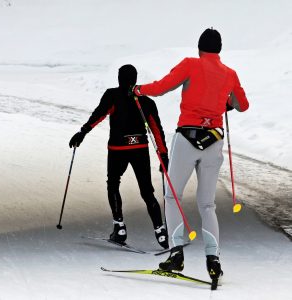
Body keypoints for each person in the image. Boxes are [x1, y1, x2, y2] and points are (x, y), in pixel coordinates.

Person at [130, 28, 249, 280]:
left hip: (187, 138)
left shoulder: (190, 65)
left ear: (199, 48)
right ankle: (213, 258)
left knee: (173, 196)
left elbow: (162, 87)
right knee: (207, 204)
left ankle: (176, 254)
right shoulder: (230, 73)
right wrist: (226, 103)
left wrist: (138, 89)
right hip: (214, 141)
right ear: (219, 50)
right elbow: (242, 105)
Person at [69, 64, 169, 249]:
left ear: (119, 78)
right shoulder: (146, 101)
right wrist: (163, 155)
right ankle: (161, 232)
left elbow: (99, 115)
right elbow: (157, 130)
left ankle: (119, 228)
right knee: (147, 191)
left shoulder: (112, 95)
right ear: (135, 79)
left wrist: (82, 133)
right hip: (140, 147)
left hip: (118, 149)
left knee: (113, 184)